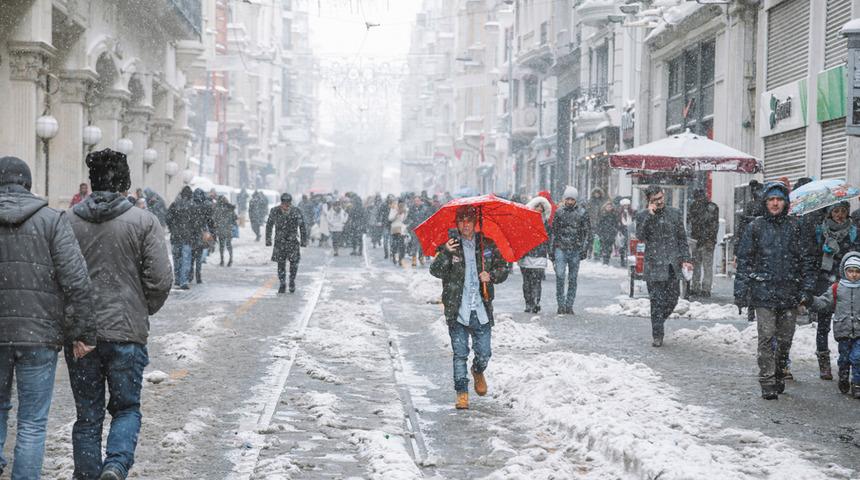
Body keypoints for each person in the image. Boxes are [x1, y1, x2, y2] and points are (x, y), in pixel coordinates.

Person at [67, 148, 172, 480]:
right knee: (126, 408)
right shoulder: (144, 222)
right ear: (126, 183)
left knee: (87, 415)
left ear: (91, 182)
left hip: (83, 335)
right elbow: (160, 278)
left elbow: (57, 277)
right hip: (127, 332)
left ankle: (87, 474)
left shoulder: (68, 221)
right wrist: (142, 307)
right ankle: (115, 465)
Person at [0, 156, 96, 479]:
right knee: (31, 422)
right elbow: (77, 280)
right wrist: (82, 332)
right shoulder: (51, 220)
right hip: (39, 336)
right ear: (28, 184)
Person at [734, 182, 817, 400]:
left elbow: (807, 260)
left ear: (785, 203)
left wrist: (807, 290)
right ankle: (767, 380)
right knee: (766, 337)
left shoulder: (796, 227)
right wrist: (741, 290)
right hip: (763, 292)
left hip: (789, 292)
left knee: (785, 340)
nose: (775, 203)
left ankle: (780, 372)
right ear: (765, 202)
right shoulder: (755, 227)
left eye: (779, 199)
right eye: (771, 199)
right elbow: (745, 261)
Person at [430, 205, 509, 410]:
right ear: (457, 224)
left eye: (469, 220)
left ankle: (477, 370)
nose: (465, 224)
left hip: (481, 310)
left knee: (484, 353)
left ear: (475, 223)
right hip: (458, 310)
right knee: (460, 353)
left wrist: (490, 276)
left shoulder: (487, 246)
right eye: (462, 221)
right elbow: (435, 271)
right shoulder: (450, 246)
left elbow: (503, 269)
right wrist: (446, 252)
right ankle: (462, 393)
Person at [636, 185, 692, 347]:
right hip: (653, 265)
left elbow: (682, 238)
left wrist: (686, 258)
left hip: (672, 265)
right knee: (656, 301)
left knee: (672, 299)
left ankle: (659, 320)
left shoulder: (674, 213)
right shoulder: (642, 215)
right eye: (655, 200)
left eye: (660, 198)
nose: (659, 202)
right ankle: (657, 334)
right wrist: (649, 216)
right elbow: (640, 235)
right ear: (649, 201)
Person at [811, 201, 859, 380]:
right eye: (836, 211)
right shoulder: (820, 231)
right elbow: (813, 256)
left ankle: (847, 362)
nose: (839, 215)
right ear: (830, 213)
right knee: (823, 325)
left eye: (843, 211)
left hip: (849, 281)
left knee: (850, 324)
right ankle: (824, 362)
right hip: (825, 281)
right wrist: (822, 250)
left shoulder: (854, 232)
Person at [812, 251, 860, 398]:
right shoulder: (837, 288)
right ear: (844, 271)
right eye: (850, 271)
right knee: (844, 358)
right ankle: (844, 376)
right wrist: (810, 299)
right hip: (843, 330)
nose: (854, 274)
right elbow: (824, 303)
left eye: (857, 271)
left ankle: (857, 384)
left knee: (858, 357)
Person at [552, 186, 592, 315]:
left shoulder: (582, 213)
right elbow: (554, 231)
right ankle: (561, 304)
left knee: (573, 278)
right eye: (567, 199)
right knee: (560, 276)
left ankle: (569, 305)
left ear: (575, 200)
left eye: (572, 199)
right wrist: (552, 250)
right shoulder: (559, 212)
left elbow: (586, 232)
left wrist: (584, 248)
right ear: (564, 199)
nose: (569, 202)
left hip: (575, 248)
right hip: (561, 247)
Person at [266, 193, 308, 293]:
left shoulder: (296, 211)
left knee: (294, 263)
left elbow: (302, 226)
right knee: (281, 264)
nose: (286, 205)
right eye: (284, 202)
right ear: (281, 202)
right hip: (280, 242)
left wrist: (303, 240)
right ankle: (282, 283)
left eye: (288, 203)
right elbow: (269, 225)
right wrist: (268, 239)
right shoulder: (275, 211)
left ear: (290, 202)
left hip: (292, 241)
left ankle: (292, 281)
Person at [520, 196, 551, 313]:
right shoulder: (525, 221)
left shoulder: (546, 224)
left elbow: (549, 238)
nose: (539, 209)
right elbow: (521, 237)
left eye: (541, 207)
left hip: (539, 255)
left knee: (537, 281)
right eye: (537, 206)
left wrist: (548, 251)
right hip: (526, 254)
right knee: (527, 281)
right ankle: (528, 303)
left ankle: (536, 301)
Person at [687, 189, 719, 297]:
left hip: (698, 240)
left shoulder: (694, 206)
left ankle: (696, 287)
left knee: (697, 265)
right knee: (706, 266)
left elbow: (690, 222)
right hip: (706, 241)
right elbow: (714, 226)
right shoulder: (712, 207)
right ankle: (705, 288)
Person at [166, 186, 195, 290]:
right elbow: (195, 223)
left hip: (175, 236)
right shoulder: (192, 206)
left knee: (177, 259)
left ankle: (178, 279)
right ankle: (183, 281)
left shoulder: (174, 204)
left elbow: (167, 218)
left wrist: (172, 228)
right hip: (187, 237)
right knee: (186, 260)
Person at [190, 188, 215, 284]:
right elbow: (210, 221)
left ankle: (191, 274)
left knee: (191, 257)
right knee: (199, 257)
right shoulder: (206, 206)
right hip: (202, 234)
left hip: (192, 234)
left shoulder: (191, 205)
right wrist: (212, 233)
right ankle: (198, 276)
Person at [212, 196, 238, 267]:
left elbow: (214, 219)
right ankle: (230, 259)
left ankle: (222, 260)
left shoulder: (217, 209)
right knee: (229, 245)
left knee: (221, 246)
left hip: (220, 230)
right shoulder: (230, 209)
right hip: (228, 230)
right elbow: (235, 218)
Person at [596, 200, 619, 265]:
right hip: (603, 233)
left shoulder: (614, 214)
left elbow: (616, 223)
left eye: (610, 207)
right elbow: (599, 223)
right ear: (605, 207)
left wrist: (615, 230)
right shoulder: (602, 214)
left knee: (609, 248)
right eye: (608, 207)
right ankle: (605, 260)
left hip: (611, 233)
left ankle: (607, 259)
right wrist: (599, 231)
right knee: (604, 247)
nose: (609, 208)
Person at [389, 199, 408, 265]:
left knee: (402, 245)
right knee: (395, 245)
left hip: (402, 229)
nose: (402, 206)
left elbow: (404, 220)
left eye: (403, 205)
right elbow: (390, 218)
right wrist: (397, 214)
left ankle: (401, 259)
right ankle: (394, 256)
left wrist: (405, 213)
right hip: (395, 228)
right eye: (400, 205)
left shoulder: (404, 210)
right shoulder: (394, 209)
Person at [617, 198, 635, 267]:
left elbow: (633, 221)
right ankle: (622, 259)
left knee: (630, 245)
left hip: (630, 230)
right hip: (623, 230)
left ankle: (629, 259)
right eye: (624, 205)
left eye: (627, 205)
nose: (626, 207)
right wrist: (619, 229)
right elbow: (618, 222)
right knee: (622, 246)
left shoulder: (632, 212)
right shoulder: (620, 213)